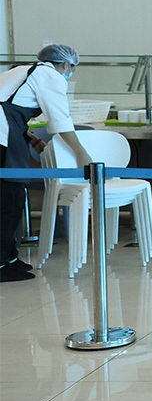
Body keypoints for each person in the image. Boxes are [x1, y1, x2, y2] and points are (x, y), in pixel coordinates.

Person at [0, 45, 92, 283]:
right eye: (72, 68)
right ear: (65, 64)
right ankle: (1, 263)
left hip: (7, 130)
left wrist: (30, 137)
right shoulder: (51, 75)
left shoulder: (23, 70)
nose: (70, 73)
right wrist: (81, 153)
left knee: (11, 196)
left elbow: (10, 104)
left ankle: (9, 258)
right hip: (2, 133)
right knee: (9, 198)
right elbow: (60, 120)